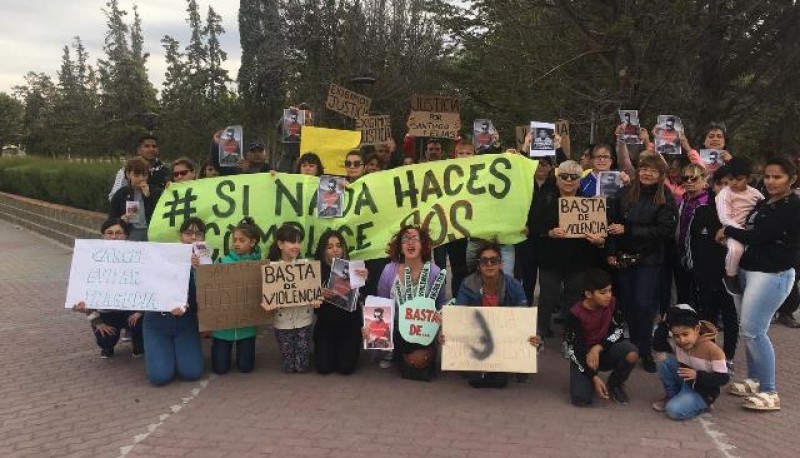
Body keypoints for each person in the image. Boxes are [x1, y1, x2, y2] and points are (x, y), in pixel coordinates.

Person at [715, 156, 800, 411]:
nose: (771, 181)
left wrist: (728, 231)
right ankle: (754, 380)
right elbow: (746, 226)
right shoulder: (765, 202)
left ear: (792, 179)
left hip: (772, 274)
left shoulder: (793, 206)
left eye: (778, 177)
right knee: (748, 330)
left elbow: (761, 236)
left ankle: (769, 391)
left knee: (754, 330)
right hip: (750, 270)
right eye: (768, 176)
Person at [607, 154, 678, 372]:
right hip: (624, 257)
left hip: (649, 259)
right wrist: (610, 251)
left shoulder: (666, 196)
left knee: (644, 305)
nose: (647, 173)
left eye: (653, 171)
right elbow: (611, 223)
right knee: (627, 303)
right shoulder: (624, 192)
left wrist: (629, 230)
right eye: (644, 169)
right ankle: (632, 348)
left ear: (660, 175)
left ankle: (645, 349)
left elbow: (665, 231)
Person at [449, 241, 541, 388]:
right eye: (484, 261)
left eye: (494, 260)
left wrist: (533, 336)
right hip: (478, 335)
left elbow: (523, 317)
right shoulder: (468, 284)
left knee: (532, 339)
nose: (489, 264)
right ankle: (473, 366)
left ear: (501, 264)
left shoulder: (514, 285)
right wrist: (449, 332)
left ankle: (519, 367)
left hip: (505, 335)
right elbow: (460, 315)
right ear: (478, 265)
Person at [531, 160, 605, 337]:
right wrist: (549, 232)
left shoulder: (589, 203)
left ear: (579, 180)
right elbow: (533, 225)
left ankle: (570, 334)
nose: (569, 181)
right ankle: (540, 330)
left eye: (574, 177)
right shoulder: (545, 198)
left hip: (578, 260)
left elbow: (599, 233)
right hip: (550, 259)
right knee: (548, 297)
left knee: (574, 299)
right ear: (557, 178)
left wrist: (598, 240)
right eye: (564, 176)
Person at [375, 225, 447, 381]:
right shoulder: (389, 271)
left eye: (415, 239)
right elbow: (381, 306)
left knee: (422, 362)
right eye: (405, 240)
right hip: (397, 331)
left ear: (423, 245)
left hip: (425, 331)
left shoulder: (434, 272)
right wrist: (375, 334)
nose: (410, 243)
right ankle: (395, 354)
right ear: (400, 247)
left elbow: (441, 305)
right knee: (411, 360)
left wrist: (442, 326)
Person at [685, 167, 739, 369]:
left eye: (730, 184)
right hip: (705, 275)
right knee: (707, 317)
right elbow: (691, 243)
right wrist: (694, 268)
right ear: (712, 186)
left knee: (730, 318)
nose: (725, 188)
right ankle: (708, 355)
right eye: (721, 184)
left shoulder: (740, 215)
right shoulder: (702, 211)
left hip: (729, 277)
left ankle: (729, 358)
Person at [143, 217, 205, 386]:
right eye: (188, 233)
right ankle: (159, 352)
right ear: (180, 236)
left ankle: (176, 352)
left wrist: (199, 271)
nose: (193, 238)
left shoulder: (207, 262)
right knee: (160, 377)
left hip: (185, 323)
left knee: (192, 373)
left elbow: (209, 298)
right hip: (157, 322)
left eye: (198, 234)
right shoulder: (163, 256)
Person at [71, 218, 144, 359]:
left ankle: (138, 341)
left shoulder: (138, 256)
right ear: (103, 236)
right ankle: (107, 347)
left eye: (119, 233)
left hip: (131, 310)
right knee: (105, 341)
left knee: (140, 325)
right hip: (106, 313)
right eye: (109, 233)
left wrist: (141, 312)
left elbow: (148, 287)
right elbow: (83, 292)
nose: (114, 236)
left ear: (126, 236)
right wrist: (96, 321)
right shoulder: (91, 259)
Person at [564, 268, 639, 405]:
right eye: (603, 292)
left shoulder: (613, 304)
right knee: (581, 399)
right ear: (588, 294)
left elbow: (618, 331)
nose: (608, 296)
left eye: (610, 290)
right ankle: (588, 380)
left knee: (632, 352)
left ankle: (615, 384)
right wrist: (594, 376)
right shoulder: (574, 314)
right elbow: (573, 349)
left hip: (605, 350)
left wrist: (598, 347)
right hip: (583, 357)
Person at [651, 304, 729, 420]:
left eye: (685, 334)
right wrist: (663, 324)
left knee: (672, 411)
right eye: (676, 336)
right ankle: (672, 396)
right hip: (686, 380)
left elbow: (723, 378)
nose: (681, 340)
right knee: (662, 358)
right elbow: (657, 344)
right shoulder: (678, 342)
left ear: (697, 329)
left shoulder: (712, 350)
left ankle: (703, 406)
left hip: (703, 390)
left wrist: (697, 376)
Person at [262, 224, 320, 373]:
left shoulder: (306, 266)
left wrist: (315, 300)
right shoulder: (271, 269)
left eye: (298, 242)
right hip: (282, 323)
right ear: (280, 244)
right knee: (288, 367)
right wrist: (268, 304)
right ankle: (295, 354)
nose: (296, 246)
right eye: (292, 242)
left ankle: (305, 353)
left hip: (304, 320)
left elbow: (313, 292)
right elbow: (268, 296)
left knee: (302, 367)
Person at [211, 217, 263, 375]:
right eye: (235, 240)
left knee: (245, 368)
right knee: (220, 369)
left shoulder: (260, 266)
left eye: (242, 240)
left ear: (252, 242)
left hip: (247, 327)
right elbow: (206, 286)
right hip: (222, 327)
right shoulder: (221, 262)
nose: (237, 243)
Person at [314, 229, 367, 375]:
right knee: (324, 369)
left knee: (346, 368)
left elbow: (361, 302)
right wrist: (318, 294)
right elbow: (311, 306)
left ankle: (348, 348)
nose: (335, 250)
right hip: (326, 326)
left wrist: (364, 281)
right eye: (329, 247)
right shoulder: (314, 272)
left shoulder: (354, 269)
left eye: (338, 245)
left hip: (349, 326)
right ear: (323, 250)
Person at [715, 157, 764, 295]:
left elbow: (765, 207)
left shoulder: (755, 193)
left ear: (748, 178)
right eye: (730, 180)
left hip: (751, 231)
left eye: (739, 179)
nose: (734, 183)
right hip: (733, 230)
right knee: (735, 250)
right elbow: (724, 217)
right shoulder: (724, 194)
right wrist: (739, 231)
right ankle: (730, 276)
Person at [674, 163, 709, 305]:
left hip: (699, 255)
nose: (688, 181)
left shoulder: (708, 201)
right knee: (682, 292)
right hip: (680, 250)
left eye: (694, 178)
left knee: (696, 295)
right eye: (685, 178)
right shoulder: (682, 199)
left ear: (704, 180)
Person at [108, 157, 164, 241]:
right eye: (136, 175)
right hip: (131, 231)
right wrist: (121, 220)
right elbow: (111, 218)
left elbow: (161, 212)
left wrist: (149, 196)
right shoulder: (121, 193)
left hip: (151, 231)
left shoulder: (156, 192)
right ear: (128, 174)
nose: (141, 178)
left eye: (144, 175)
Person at [108, 135, 168, 201]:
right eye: (147, 146)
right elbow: (113, 197)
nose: (151, 149)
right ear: (139, 150)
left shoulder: (166, 171)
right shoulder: (126, 170)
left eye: (154, 146)